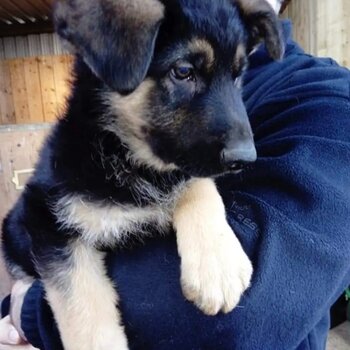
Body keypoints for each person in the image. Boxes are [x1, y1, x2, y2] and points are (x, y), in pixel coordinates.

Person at [1, 0, 350, 349]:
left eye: (235, 75)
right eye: (184, 73)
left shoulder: (327, 102)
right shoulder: (87, 154)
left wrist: (28, 309)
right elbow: (44, 232)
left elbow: (240, 316)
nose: (242, 146)